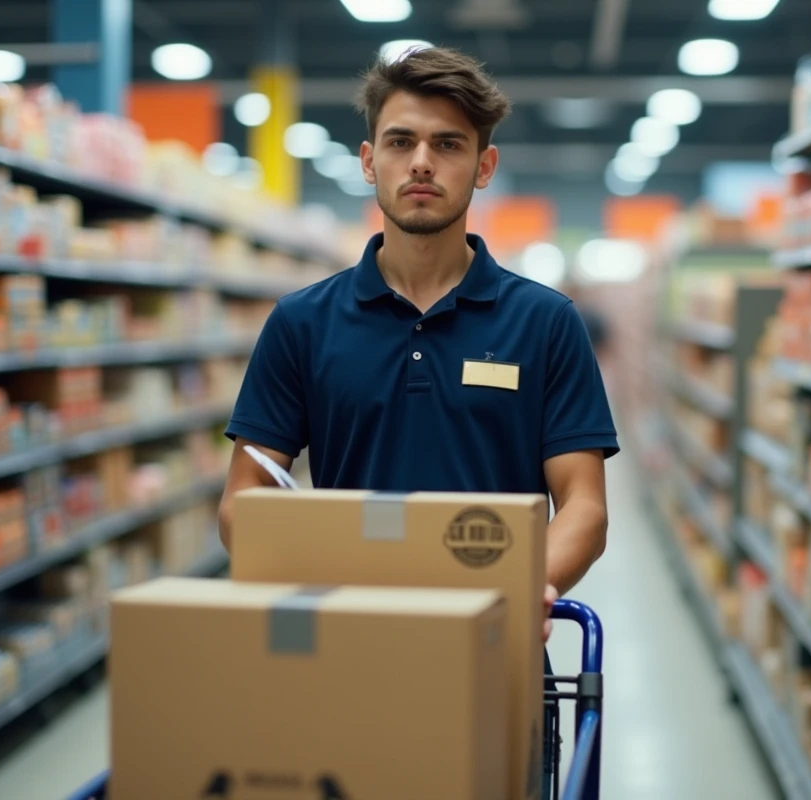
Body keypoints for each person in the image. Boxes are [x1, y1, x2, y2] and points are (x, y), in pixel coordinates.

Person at [216, 45, 619, 785]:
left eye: (448, 144)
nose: (422, 163)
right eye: (402, 142)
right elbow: (244, 500)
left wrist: (527, 586)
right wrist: (310, 571)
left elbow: (584, 507)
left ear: (484, 166)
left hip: (496, 661)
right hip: (341, 653)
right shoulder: (302, 323)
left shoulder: (544, 323)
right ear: (369, 161)